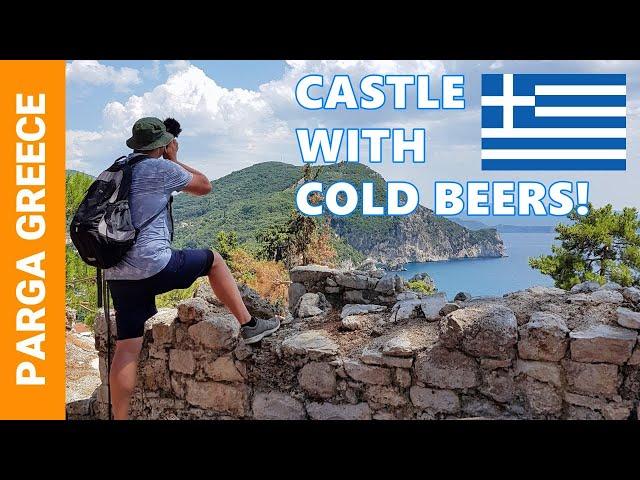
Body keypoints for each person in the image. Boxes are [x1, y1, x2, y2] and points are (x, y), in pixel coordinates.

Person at [105, 117, 280, 420]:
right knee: (213, 259)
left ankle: (119, 418)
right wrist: (174, 158)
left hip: (118, 271)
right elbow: (204, 186)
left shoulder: (118, 168)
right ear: (162, 143)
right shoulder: (159, 167)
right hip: (153, 264)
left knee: (127, 347)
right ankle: (250, 325)